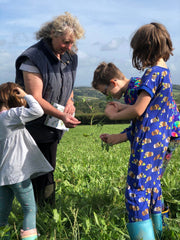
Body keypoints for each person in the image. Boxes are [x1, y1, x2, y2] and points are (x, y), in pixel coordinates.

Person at [101, 23, 179, 239]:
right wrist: (122, 107)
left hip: (146, 140)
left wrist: (113, 115)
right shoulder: (165, 72)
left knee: (136, 190)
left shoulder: (152, 73)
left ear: (145, 49)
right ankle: (161, 231)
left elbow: (139, 110)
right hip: (160, 140)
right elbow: (153, 107)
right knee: (152, 186)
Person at [15, 12, 85, 206]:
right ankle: (38, 210)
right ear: (53, 33)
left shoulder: (70, 57)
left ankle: (42, 208)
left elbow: (68, 86)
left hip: (53, 124)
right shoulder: (33, 58)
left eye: (72, 42)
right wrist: (62, 115)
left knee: (47, 167)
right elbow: (35, 98)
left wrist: (70, 102)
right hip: (32, 124)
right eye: (65, 42)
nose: (69, 47)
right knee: (37, 169)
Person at [0, 82, 53, 240]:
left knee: (2, 215)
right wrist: (26, 95)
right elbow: (38, 110)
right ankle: (30, 236)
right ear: (14, 97)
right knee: (30, 210)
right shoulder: (11, 115)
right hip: (18, 174)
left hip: (3, 176)